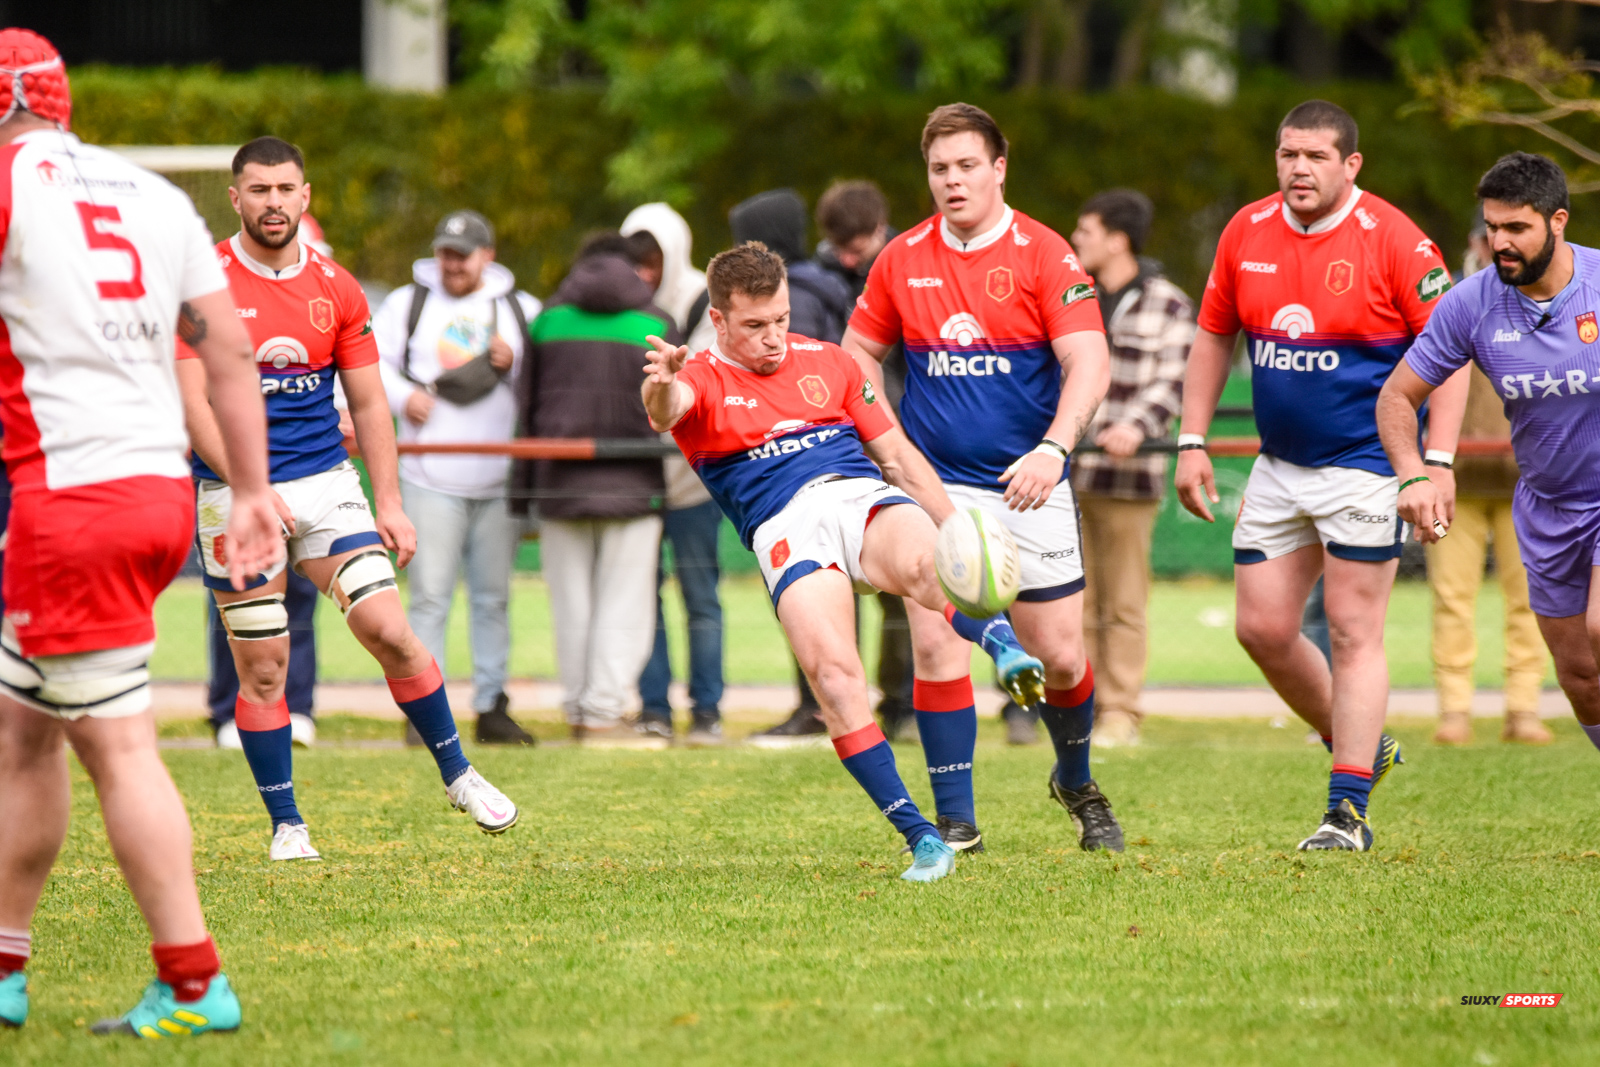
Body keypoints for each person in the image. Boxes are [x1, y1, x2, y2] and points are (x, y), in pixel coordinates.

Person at [0, 29, 280, 1036]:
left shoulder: (7, 184)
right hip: (156, 488)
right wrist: (249, 487)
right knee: (20, 727)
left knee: (119, 747)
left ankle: (197, 982)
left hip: (67, 498)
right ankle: (6, 963)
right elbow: (229, 348)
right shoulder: (153, 195)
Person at [642, 241, 1046, 880]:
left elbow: (901, 458)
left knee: (927, 566)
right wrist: (660, 383)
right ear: (718, 321)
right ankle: (921, 837)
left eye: (781, 319)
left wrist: (956, 527)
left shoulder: (831, 362)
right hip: (786, 528)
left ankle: (1005, 649)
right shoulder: (698, 378)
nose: (774, 338)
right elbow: (669, 411)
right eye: (754, 326)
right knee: (835, 680)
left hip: (859, 496)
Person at [177, 136, 520, 862]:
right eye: (259, 190)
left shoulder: (337, 286)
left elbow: (369, 406)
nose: (274, 202)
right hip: (233, 491)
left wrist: (389, 503)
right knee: (264, 664)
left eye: (286, 189)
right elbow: (191, 405)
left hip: (327, 484)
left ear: (306, 197)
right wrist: (248, 487)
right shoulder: (200, 282)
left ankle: (459, 774)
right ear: (236, 198)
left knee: (390, 629)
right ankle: (288, 826)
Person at [1175, 100, 1469, 853]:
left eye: (1314, 156)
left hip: (1369, 466)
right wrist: (1193, 438)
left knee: (1351, 627)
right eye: (1287, 155)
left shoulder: (1396, 240)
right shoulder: (1246, 230)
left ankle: (1348, 811)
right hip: (1279, 465)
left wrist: (1432, 464)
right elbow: (1214, 336)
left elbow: (1452, 355)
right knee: (1262, 627)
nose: (1298, 169)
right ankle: (1363, 744)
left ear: (1351, 165)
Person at [842, 103, 1124, 854]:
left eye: (968, 166)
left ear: (1000, 168)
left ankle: (1075, 779)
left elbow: (1089, 360)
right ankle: (956, 819)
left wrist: (1054, 449)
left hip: (1030, 482)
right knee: (937, 644)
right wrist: (884, 437)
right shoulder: (901, 258)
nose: (952, 181)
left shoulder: (1044, 253)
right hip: (937, 490)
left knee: (1061, 656)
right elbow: (856, 357)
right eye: (940, 169)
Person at [1381, 153, 1599, 762]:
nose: (1499, 242)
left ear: (1558, 221)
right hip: (1548, 505)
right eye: (1492, 227)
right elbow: (1398, 395)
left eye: (1516, 229)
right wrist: (1414, 471)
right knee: (1581, 677)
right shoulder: (1471, 303)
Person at [373, 209, 539, 746]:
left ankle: (492, 705)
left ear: (487, 255)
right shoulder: (408, 303)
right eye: (445, 252)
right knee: (429, 597)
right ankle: (425, 709)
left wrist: (514, 362)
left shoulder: (519, 309)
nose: (453, 264)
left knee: (493, 598)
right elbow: (371, 363)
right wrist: (405, 397)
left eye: (463, 255)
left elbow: (545, 384)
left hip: (496, 480)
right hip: (428, 476)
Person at [521, 232, 675, 745]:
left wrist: (521, 498)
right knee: (626, 604)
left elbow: (525, 412)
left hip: (558, 487)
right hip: (634, 486)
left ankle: (578, 709)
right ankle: (604, 715)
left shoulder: (546, 321)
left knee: (570, 606)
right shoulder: (655, 324)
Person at [1067, 189, 1194, 749]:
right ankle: (1078, 709)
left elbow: (1177, 380)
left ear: (1117, 240)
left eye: (1086, 232)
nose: (1076, 242)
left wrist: (1136, 429)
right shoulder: (1074, 298)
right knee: (1073, 602)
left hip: (1129, 479)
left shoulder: (1167, 303)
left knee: (1121, 602)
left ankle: (1120, 711)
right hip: (1064, 479)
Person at [1423, 215, 1550, 746]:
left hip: (1528, 478)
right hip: (1458, 476)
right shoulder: (1450, 300)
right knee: (1452, 598)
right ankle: (1455, 709)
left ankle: (1523, 708)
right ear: (1476, 242)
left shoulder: (1547, 300)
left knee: (1532, 598)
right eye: (1487, 236)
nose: (1499, 246)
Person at [815, 181, 920, 743]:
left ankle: (901, 701)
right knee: (830, 577)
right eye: (841, 247)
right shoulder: (818, 277)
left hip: (898, 435)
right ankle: (840, 700)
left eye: (859, 245)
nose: (851, 258)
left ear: (882, 226)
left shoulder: (909, 268)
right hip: (834, 442)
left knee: (902, 580)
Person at [623, 206, 726, 745]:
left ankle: (708, 708)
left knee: (699, 592)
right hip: (638, 475)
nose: (644, 272)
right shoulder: (621, 306)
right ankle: (654, 705)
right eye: (635, 261)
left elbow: (707, 380)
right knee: (643, 595)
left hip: (691, 475)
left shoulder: (700, 302)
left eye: (652, 260)